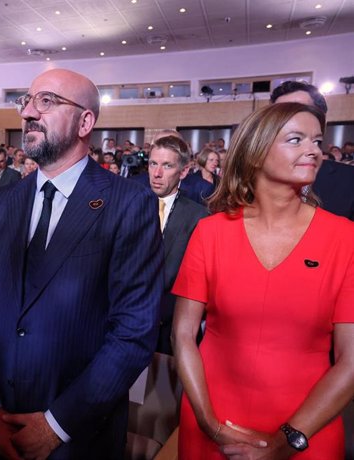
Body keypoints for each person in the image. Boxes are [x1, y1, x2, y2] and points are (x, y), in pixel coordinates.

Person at [0, 69, 163, 459]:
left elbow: (133, 332)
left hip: (77, 436)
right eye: (27, 101)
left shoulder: (129, 204)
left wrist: (57, 425)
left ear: (86, 121)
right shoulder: (2, 203)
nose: (28, 114)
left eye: (47, 101)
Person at [172, 102, 354, 459]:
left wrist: (287, 440)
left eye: (317, 141)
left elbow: (351, 359)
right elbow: (182, 334)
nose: (313, 151)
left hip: (308, 428)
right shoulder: (210, 233)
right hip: (212, 420)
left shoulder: (345, 238)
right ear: (255, 153)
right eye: (296, 139)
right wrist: (208, 424)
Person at [147, 136, 207, 354]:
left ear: (183, 172)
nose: (157, 173)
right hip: (124, 329)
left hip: (172, 334)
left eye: (167, 165)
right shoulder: (128, 205)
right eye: (153, 163)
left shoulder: (199, 217)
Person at [271, 80, 354, 220]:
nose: (288, 120)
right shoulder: (251, 179)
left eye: (300, 111)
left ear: (322, 123)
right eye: (279, 114)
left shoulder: (349, 181)